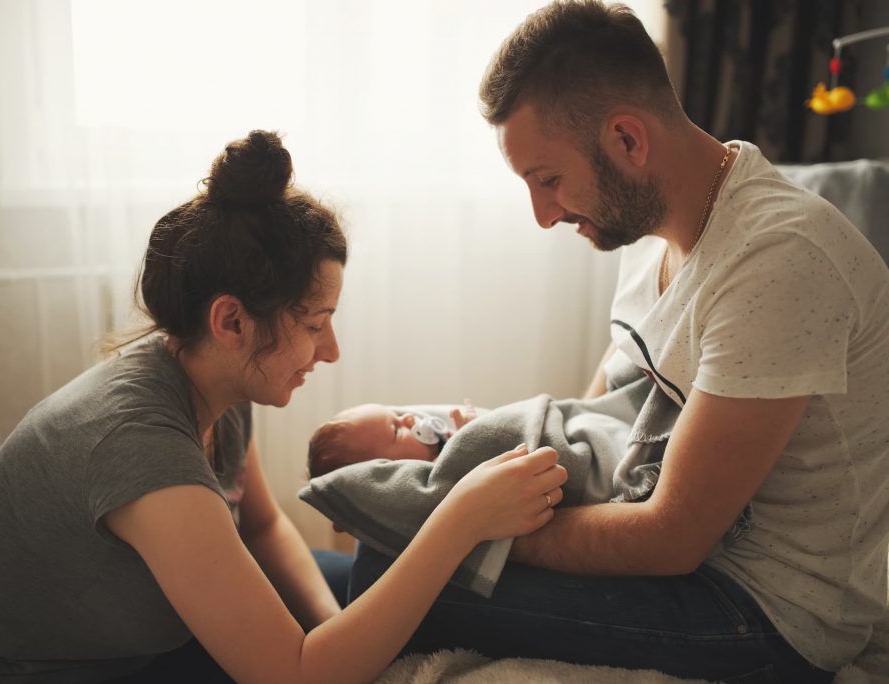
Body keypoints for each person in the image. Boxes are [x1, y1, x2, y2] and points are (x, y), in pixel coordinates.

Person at [0, 130, 568, 684]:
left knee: (377, 581)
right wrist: (457, 521)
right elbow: (297, 678)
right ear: (231, 321)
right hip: (16, 673)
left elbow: (263, 525)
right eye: (314, 323)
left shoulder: (214, 384)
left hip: (135, 644)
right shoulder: (139, 446)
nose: (329, 350)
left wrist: (330, 622)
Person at [348, 3, 889, 682]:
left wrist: (463, 527)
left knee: (388, 568)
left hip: (767, 611)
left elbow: (672, 538)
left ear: (627, 140)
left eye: (548, 180)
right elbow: (596, 422)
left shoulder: (779, 260)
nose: (544, 215)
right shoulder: (652, 237)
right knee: (392, 552)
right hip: (700, 568)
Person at [307, 401, 481, 477]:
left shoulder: (444, 443)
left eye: (396, 415)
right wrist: (468, 435)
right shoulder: (425, 481)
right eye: (397, 430)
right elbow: (458, 471)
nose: (408, 417)